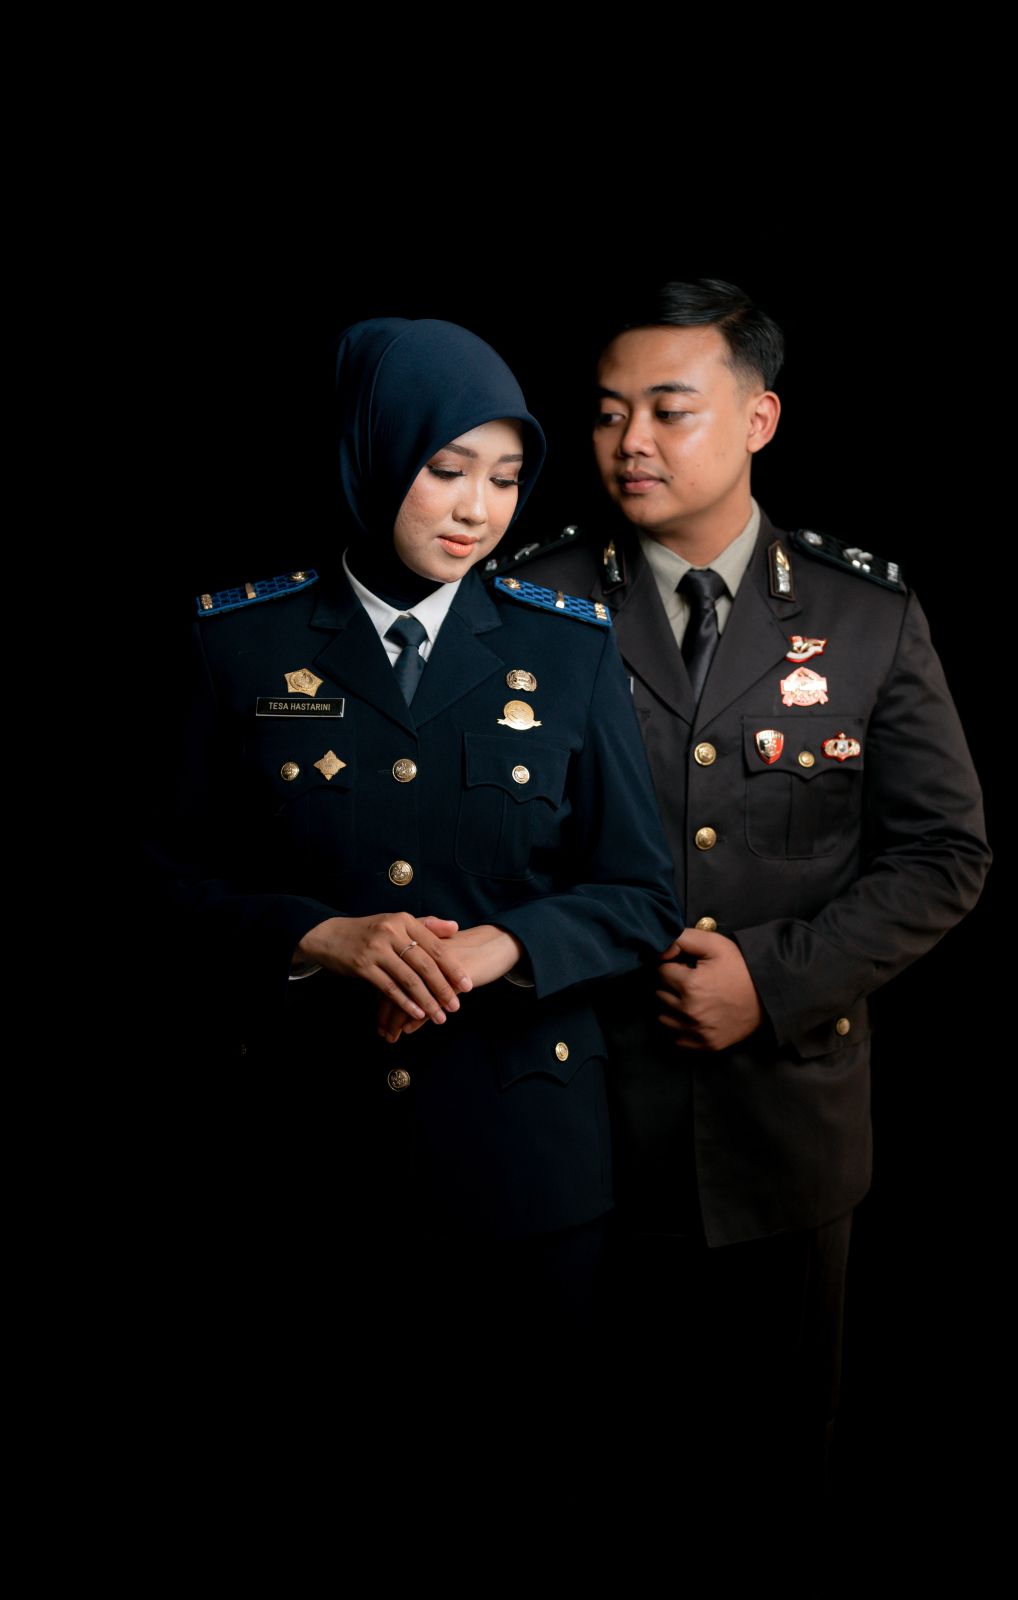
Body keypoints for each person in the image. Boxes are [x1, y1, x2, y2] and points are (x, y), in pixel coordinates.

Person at [164, 316, 681, 1512]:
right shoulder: (241, 642)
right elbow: (161, 882)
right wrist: (313, 936)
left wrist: (510, 943)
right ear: (372, 450)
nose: (477, 510)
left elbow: (641, 893)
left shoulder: (565, 651)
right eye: (447, 469)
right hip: (307, 1162)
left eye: (505, 478)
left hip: (527, 1170)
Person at [512, 278, 992, 1506]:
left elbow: (945, 852)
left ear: (758, 419)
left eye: (668, 410)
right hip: (573, 1121)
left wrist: (771, 982)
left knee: (772, 1482)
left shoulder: (863, 612)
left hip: (786, 1135)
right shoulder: (528, 601)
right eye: (608, 412)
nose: (630, 441)